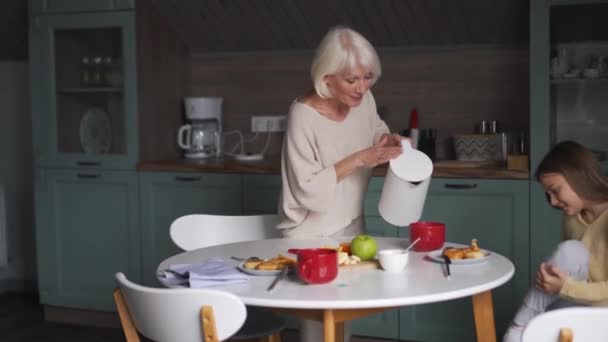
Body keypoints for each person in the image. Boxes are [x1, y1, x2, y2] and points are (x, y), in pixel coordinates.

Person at [276, 26, 405, 342]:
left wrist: (387, 140)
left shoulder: (365, 99)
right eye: (352, 80)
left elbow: (374, 128)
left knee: (344, 320)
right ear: (326, 78)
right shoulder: (302, 115)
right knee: (319, 327)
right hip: (309, 233)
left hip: (352, 225)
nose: (362, 88)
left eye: (368, 77)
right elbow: (306, 187)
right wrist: (360, 159)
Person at [503, 141, 608, 342]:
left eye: (555, 190)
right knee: (570, 251)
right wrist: (553, 280)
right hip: (578, 300)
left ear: (578, 177)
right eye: (548, 195)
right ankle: (520, 328)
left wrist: (563, 287)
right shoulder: (572, 216)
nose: (552, 202)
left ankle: (517, 330)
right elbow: (568, 266)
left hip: (603, 312)